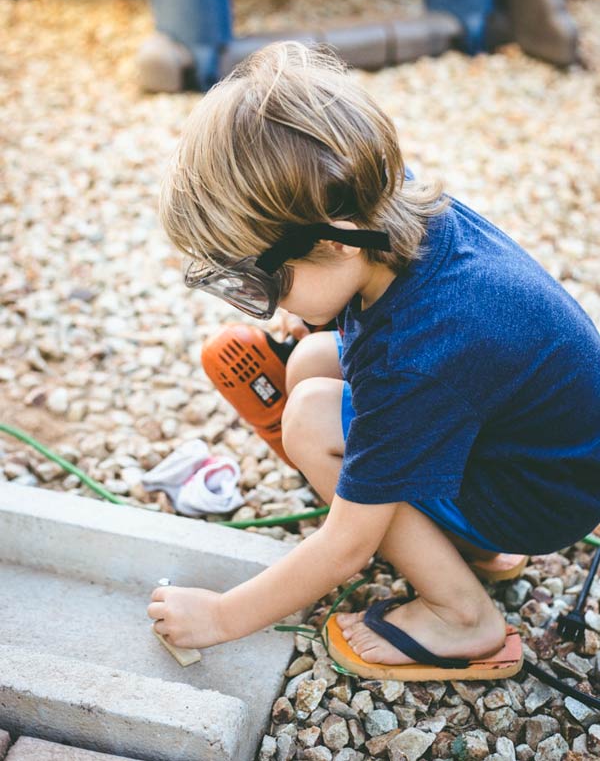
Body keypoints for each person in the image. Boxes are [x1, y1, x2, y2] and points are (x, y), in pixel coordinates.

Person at [147, 40, 600, 680]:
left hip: (534, 497)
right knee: (307, 362)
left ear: (331, 243)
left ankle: (461, 612)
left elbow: (343, 550)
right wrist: (301, 299)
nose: (256, 301)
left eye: (261, 284)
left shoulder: (415, 354)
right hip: (536, 449)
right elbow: (344, 293)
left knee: (308, 419)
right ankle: (457, 542)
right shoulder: (381, 202)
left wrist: (221, 617)